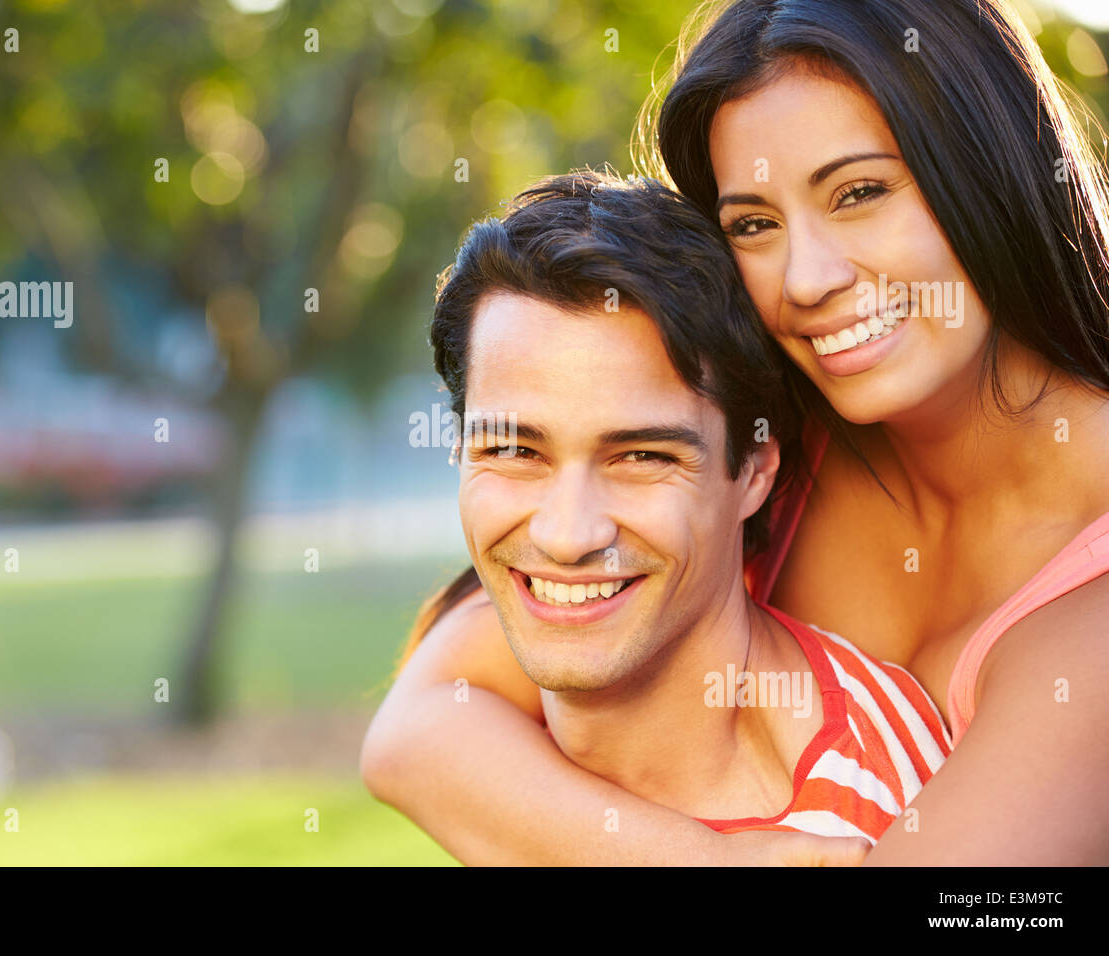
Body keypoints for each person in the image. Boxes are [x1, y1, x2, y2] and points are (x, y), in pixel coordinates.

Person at [361, 0, 1109, 865]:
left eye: (860, 192)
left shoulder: (1094, 594)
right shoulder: (765, 427)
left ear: (989, 169)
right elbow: (420, 729)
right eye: (753, 223)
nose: (809, 277)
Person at [368, 169, 950, 858]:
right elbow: (407, 739)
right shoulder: (486, 694)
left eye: (642, 457)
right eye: (514, 449)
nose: (566, 535)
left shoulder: (875, 827)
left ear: (756, 469)